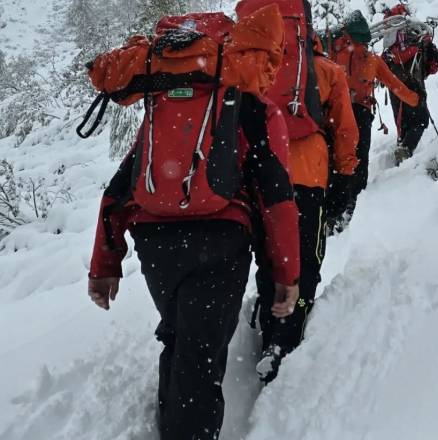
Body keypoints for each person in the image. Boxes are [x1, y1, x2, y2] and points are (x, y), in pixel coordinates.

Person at [85, 6, 301, 439]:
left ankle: (174, 425)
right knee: (200, 359)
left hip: (155, 241)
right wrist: (285, 273)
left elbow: (120, 189)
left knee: (181, 339)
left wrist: (104, 266)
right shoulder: (239, 99)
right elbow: (275, 195)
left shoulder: (162, 99)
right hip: (220, 238)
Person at [235, 0, 359, 384]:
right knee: (304, 258)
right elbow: (345, 132)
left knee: (270, 255)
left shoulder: (251, 67)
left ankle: (268, 325)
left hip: (258, 175)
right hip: (307, 178)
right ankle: (286, 339)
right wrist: (347, 175)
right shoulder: (326, 71)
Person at [325, 10, 419, 223]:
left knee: (337, 158)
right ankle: (353, 204)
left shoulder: (334, 52)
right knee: (359, 158)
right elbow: (395, 86)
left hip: (334, 114)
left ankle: (333, 207)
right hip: (360, 113)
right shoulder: (371, 60)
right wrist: (416, 99)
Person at [382, 4, 438, 164]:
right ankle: (404, 153)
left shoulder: (394, 48)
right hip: (410, 86)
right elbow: (429, 65)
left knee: (405, 123)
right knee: (419, 121)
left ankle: (403, 153)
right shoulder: (415, 42)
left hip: (399, 88)